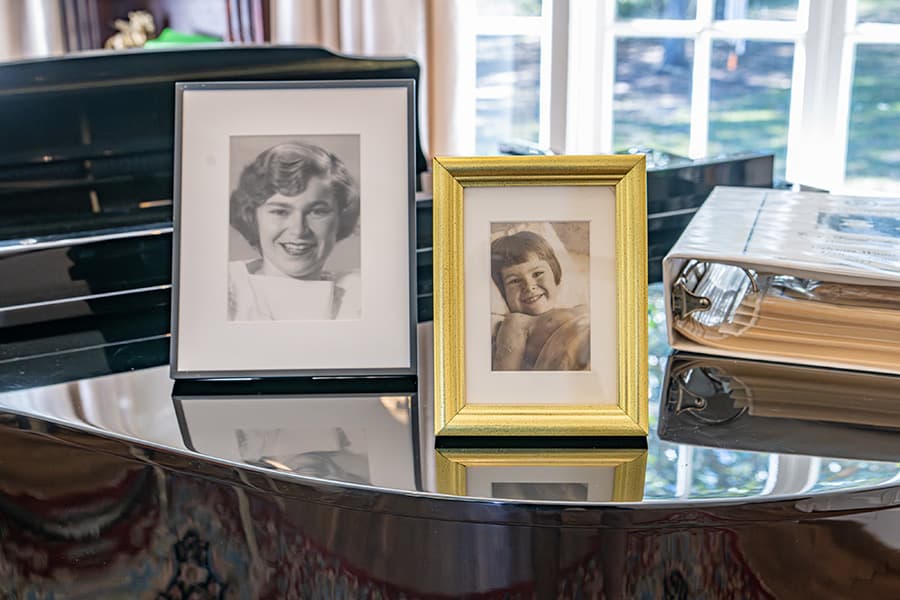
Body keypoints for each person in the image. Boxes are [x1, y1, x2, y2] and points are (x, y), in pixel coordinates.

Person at [228, 142, 361, 321]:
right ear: (252, 217)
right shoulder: (226, 289)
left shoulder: (359, 292)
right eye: (280, 211)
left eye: (317, 211)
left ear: (340, 218)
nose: (298, 230)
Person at [491, 230, 590, 371]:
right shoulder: (517, 322)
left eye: (537, 274)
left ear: (555, 272)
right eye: (515, 281)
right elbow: (506, 375)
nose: (529, 287)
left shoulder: (580, 308)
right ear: (502, 292)